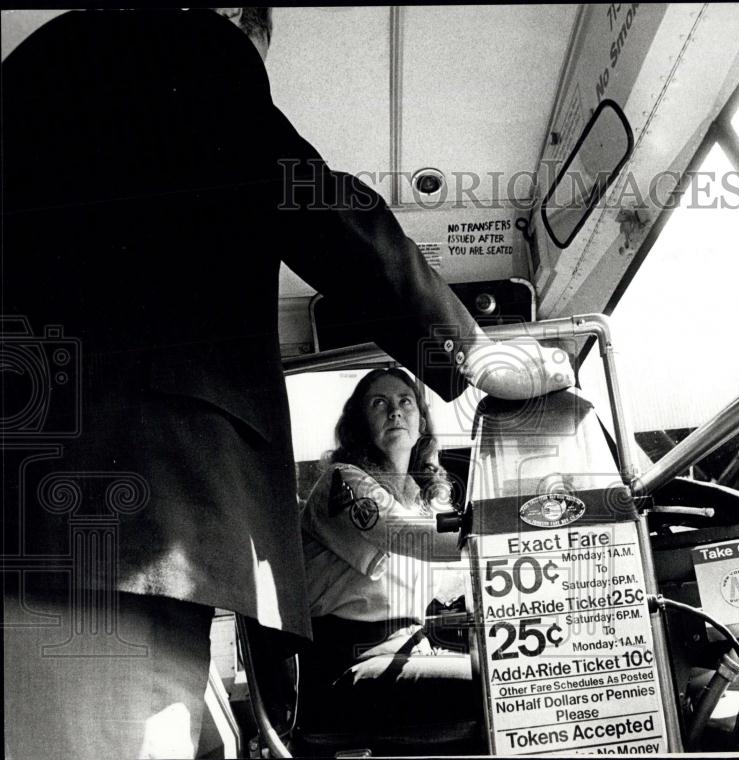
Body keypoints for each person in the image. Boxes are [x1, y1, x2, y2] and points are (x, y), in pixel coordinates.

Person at [1, 8, 572, 758]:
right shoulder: (187, 46)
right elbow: (316, 204)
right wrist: (468, 353)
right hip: (116, 519)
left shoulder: (39, 69)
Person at [297, 368, 476, 734]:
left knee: (514, 672)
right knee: (491, 686)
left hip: (406, 651)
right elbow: (411, 535)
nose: (395, 411)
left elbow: (457, 577)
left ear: (421, 421)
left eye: (405, 402)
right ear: (360, 424)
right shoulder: (343, 482)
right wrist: (498, 522)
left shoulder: (422, 498)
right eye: (379, 403)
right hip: (349, 667)